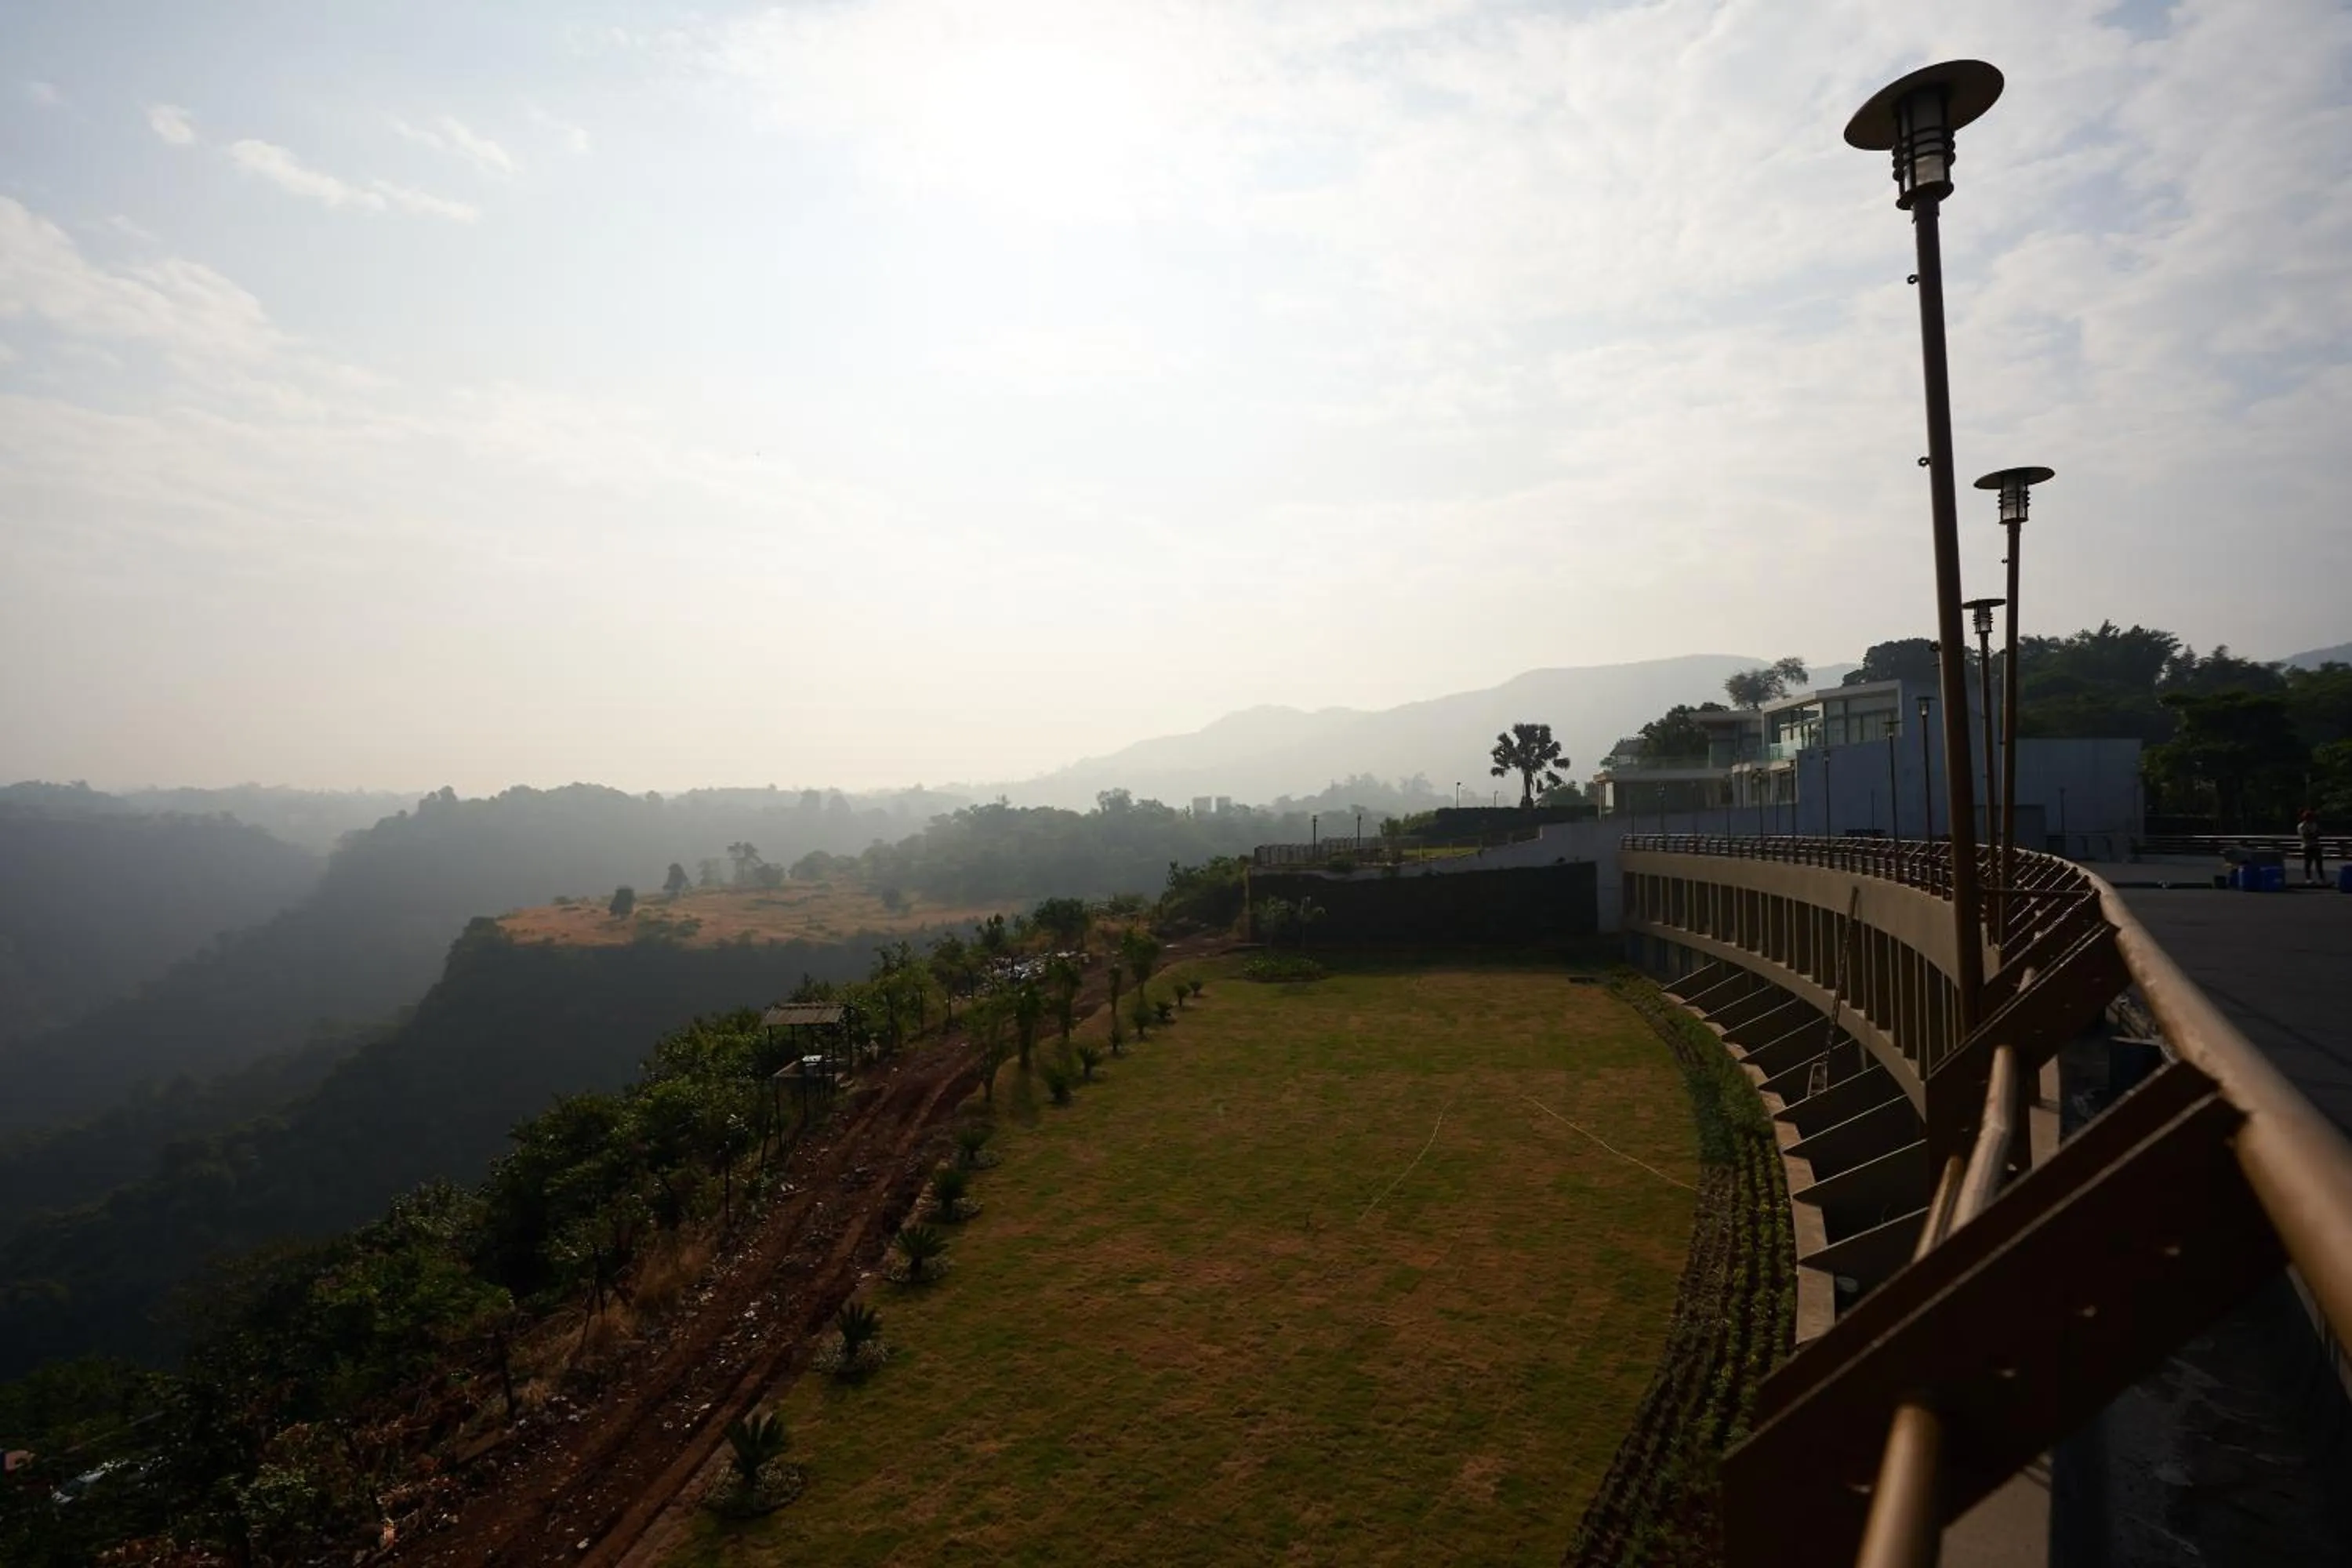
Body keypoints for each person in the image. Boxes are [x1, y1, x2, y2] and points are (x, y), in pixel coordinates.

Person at [2299, 808, 2325, 885]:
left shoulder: (2314, 824)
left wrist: (2316, 834)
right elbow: (2306, 836)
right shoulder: (2302, 826)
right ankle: (2308, 878)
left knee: (2319, 862)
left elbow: (2319, 833)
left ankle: (2322, 878)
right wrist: (2315, 835)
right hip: (2307, 845)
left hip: (2316, 845)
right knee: (2308, 863)